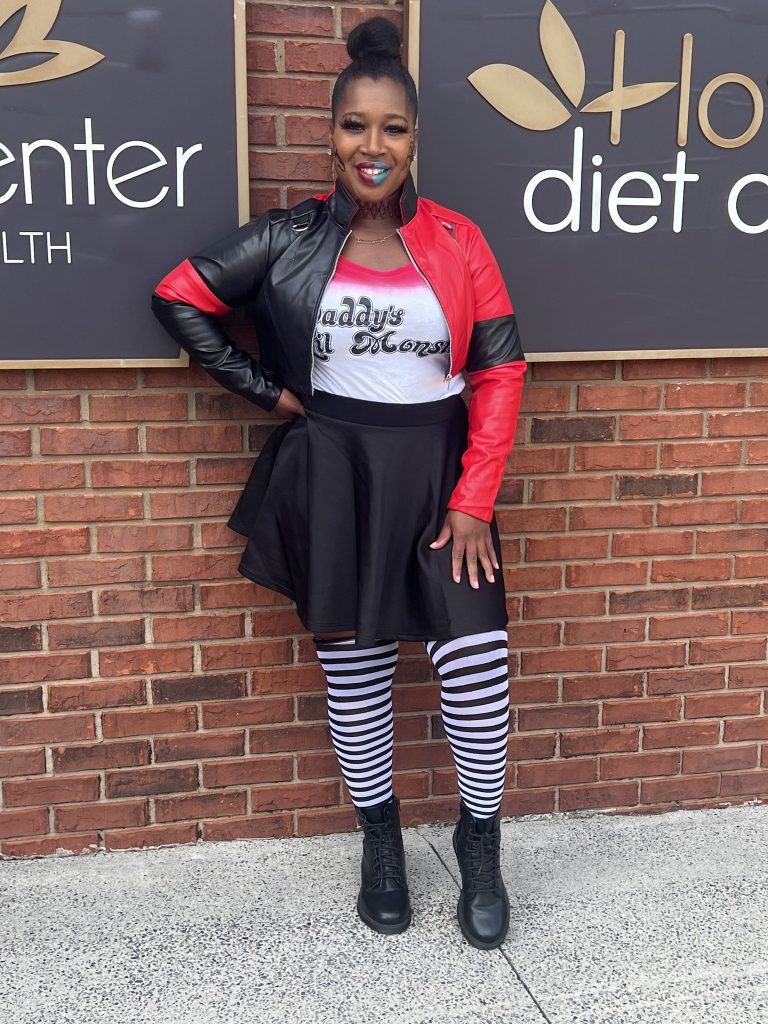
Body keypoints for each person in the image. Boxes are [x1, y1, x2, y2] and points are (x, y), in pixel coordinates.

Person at [151, 16, 527, 950]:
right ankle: (381, 842)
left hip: (439, 475)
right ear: (330, 134)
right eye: (355, 125)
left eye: (392, 127)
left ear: (414, 138)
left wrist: (474, 498)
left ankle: (480, 844)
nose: (373, 145)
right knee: (355, 673)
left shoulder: (460, 240)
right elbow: (180, 296)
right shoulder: (288, 237)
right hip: (334, 473)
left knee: (477, 668)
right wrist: (266, 391)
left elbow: (500, 369)